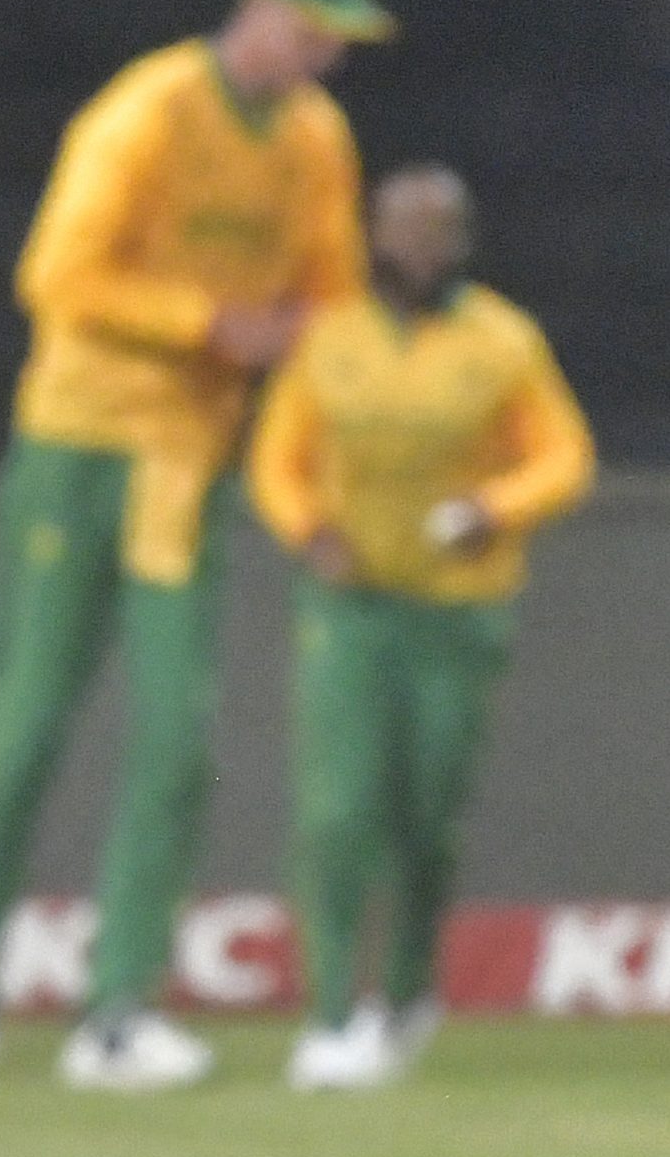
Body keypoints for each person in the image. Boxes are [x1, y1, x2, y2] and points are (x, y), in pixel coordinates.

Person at [0, 0, 387, 1094]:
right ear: (265, 6)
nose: (325, 57)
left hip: (187, 466)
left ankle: (114, 1013)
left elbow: (330, 294)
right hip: (76, 446)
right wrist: (210, 325)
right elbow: (55, 275)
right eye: (316, 29)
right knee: (18, 724)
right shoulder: (149, 110)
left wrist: (321, 373)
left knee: (175, 736)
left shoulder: (316, 142)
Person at [250, 165, 595, 1089]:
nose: (415, 244)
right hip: (351, 608)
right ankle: (329, 1015)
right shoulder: (331, 338)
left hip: (456, 610)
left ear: (462, 239)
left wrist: (495, 508)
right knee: (335, 811)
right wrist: (306, 529)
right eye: (399, 226)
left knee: (423, 816)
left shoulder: (500, 341)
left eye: (434, 227)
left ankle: (407, 988)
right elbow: (278, 458)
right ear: (373, 233)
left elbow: (563, 455)